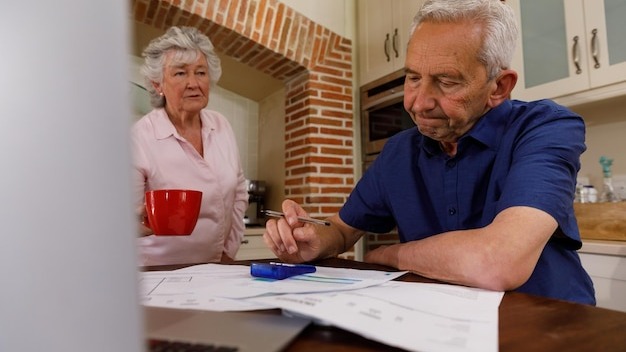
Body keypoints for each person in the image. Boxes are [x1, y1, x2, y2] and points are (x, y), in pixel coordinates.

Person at [263, 0, 595, 305]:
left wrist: (390, 255)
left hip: (550, 324)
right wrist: (311, 240)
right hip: (437, 324)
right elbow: (341, 229)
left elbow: (498, 262)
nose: (417, 103)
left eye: (447, 82)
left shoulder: (545, 128)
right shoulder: (399, 152)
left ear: (498, 87)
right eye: (412, 78)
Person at [132, 26, 248, 266]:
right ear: (157, 84)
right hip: (156, 271)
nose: (194, 83)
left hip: (216, 266)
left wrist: (228, 253)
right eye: (180, 73)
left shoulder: (222, 125)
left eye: (201, 72)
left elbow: (238, 192)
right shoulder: (139, 138)